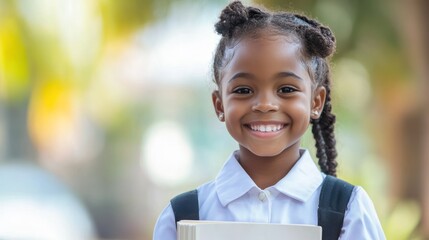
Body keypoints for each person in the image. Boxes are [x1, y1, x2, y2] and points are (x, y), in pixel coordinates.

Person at [153, 1, 385, 239]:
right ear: (219, 104)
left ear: (316, 102)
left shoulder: (348, 210)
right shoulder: (182, 215)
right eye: (243, 90)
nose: (264, 105)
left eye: (286, 89)